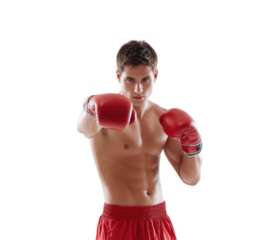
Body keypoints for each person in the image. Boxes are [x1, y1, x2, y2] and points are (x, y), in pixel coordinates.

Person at [76, 39, 203, 240]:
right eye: (130, 80)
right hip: (118, 221)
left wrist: (193, 145)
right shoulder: (103, 114)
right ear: (118, 76)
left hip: (158, 219)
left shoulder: (164, 118)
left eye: (145, 80)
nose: (138, 89)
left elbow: (191, 179)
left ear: (156, 76)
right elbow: (82, 128)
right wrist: (91, 107)